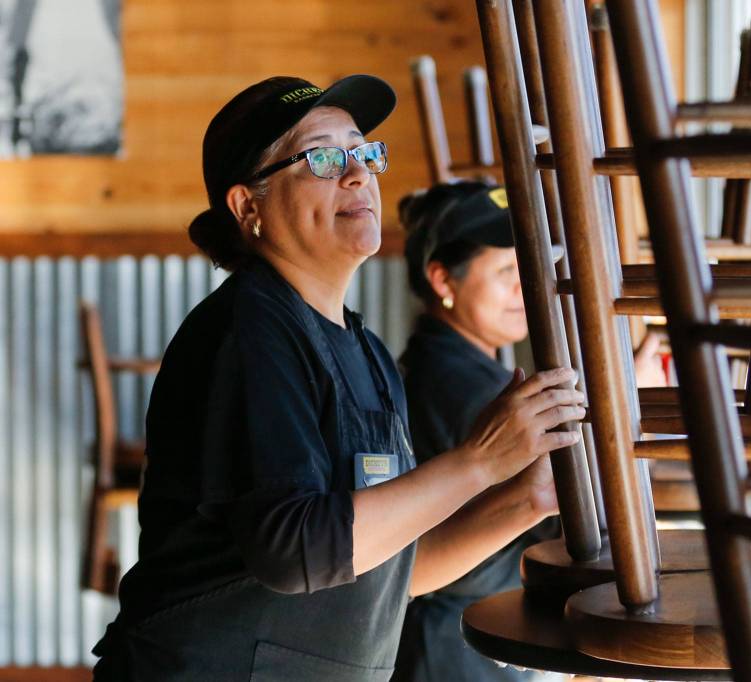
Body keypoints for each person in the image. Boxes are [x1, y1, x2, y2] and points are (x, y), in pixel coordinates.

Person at [90, 74, 585, 682]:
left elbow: (394, 570)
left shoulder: (368, 350)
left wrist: (528, 497)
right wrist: (479, 462)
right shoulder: (250, 330)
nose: (358, 174)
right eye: (324, 157)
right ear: (249, 207)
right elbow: (295, 549)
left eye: (364, 152)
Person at [393, 182, 560, 682]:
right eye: (506, 271)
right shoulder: (464, 387)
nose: (523, 288)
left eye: (526, 269)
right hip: (453, 648)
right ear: (443, 280)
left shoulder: (450, 364)